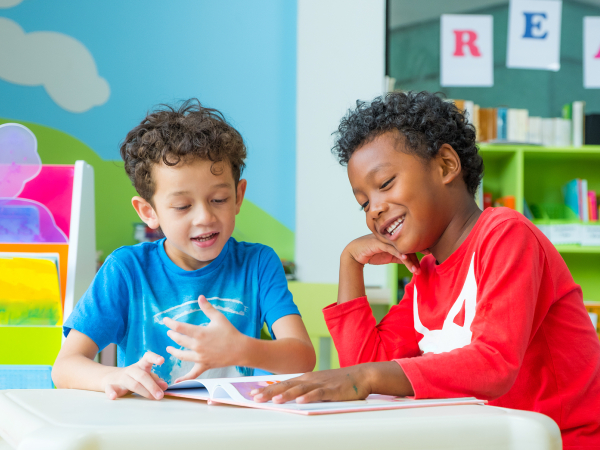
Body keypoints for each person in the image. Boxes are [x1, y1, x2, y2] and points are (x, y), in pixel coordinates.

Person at [252, 91, 600, 448]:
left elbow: (494, 363)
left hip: (559, 441)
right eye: (364, 204)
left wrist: (366, 377)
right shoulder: (425, 275)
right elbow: (364, 367)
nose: (374, 210)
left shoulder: (507, 234)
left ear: (446, 165)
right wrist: (350, 265)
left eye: (385, 184)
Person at [52, 99, 315, 400]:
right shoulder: (126, 270)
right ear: (149, 212)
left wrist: (241, 349)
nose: (204, 217)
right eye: (182, 206)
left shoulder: (258, 263)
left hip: (236, 430)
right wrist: (114, 375)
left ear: (238, 196)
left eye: (218, 199)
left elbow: (303, 357)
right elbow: (64, 367)